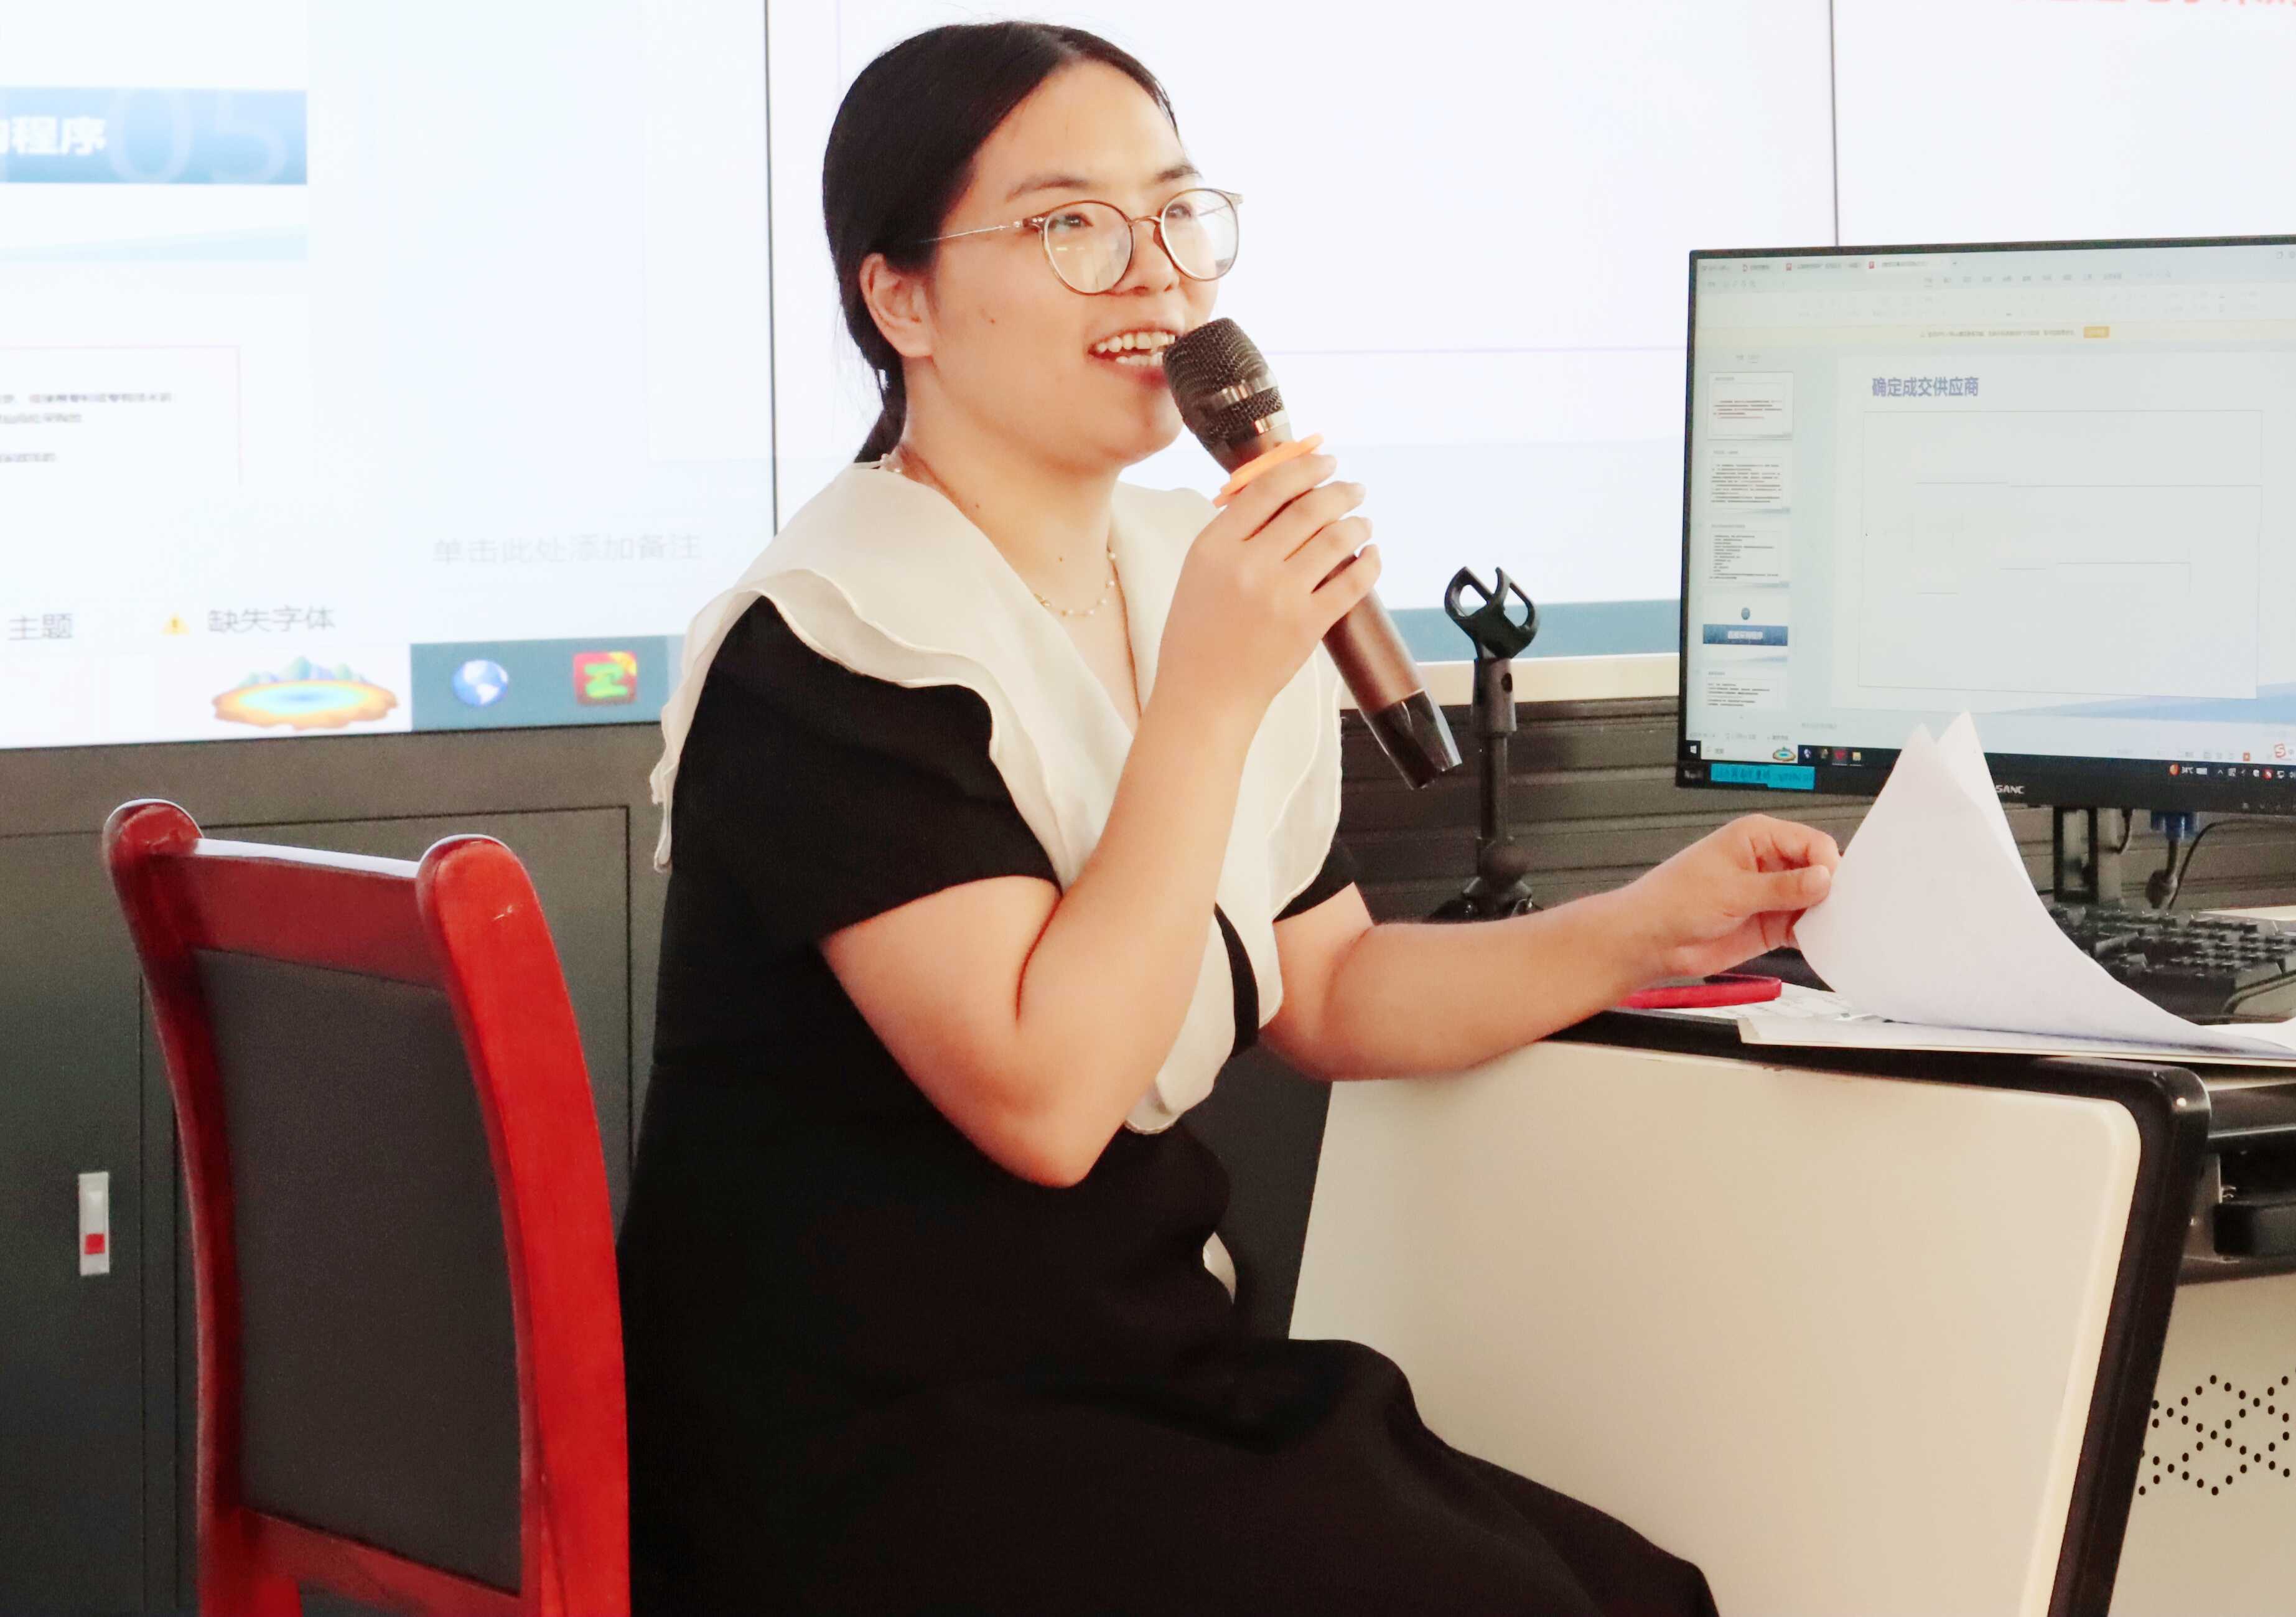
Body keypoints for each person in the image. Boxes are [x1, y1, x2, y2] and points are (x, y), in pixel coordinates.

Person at [618, 20, 1839, 1614]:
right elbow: (1048, 1101)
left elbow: (1323, 988)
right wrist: (1205, 696)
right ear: (899, 299)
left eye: (1175, 212)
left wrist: (1646, 926)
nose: (1153, 273)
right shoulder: (833, 640)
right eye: (1071, 224)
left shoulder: (1173, 567)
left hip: (1139, 1368)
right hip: (880, 1439)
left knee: (1642, 1592)